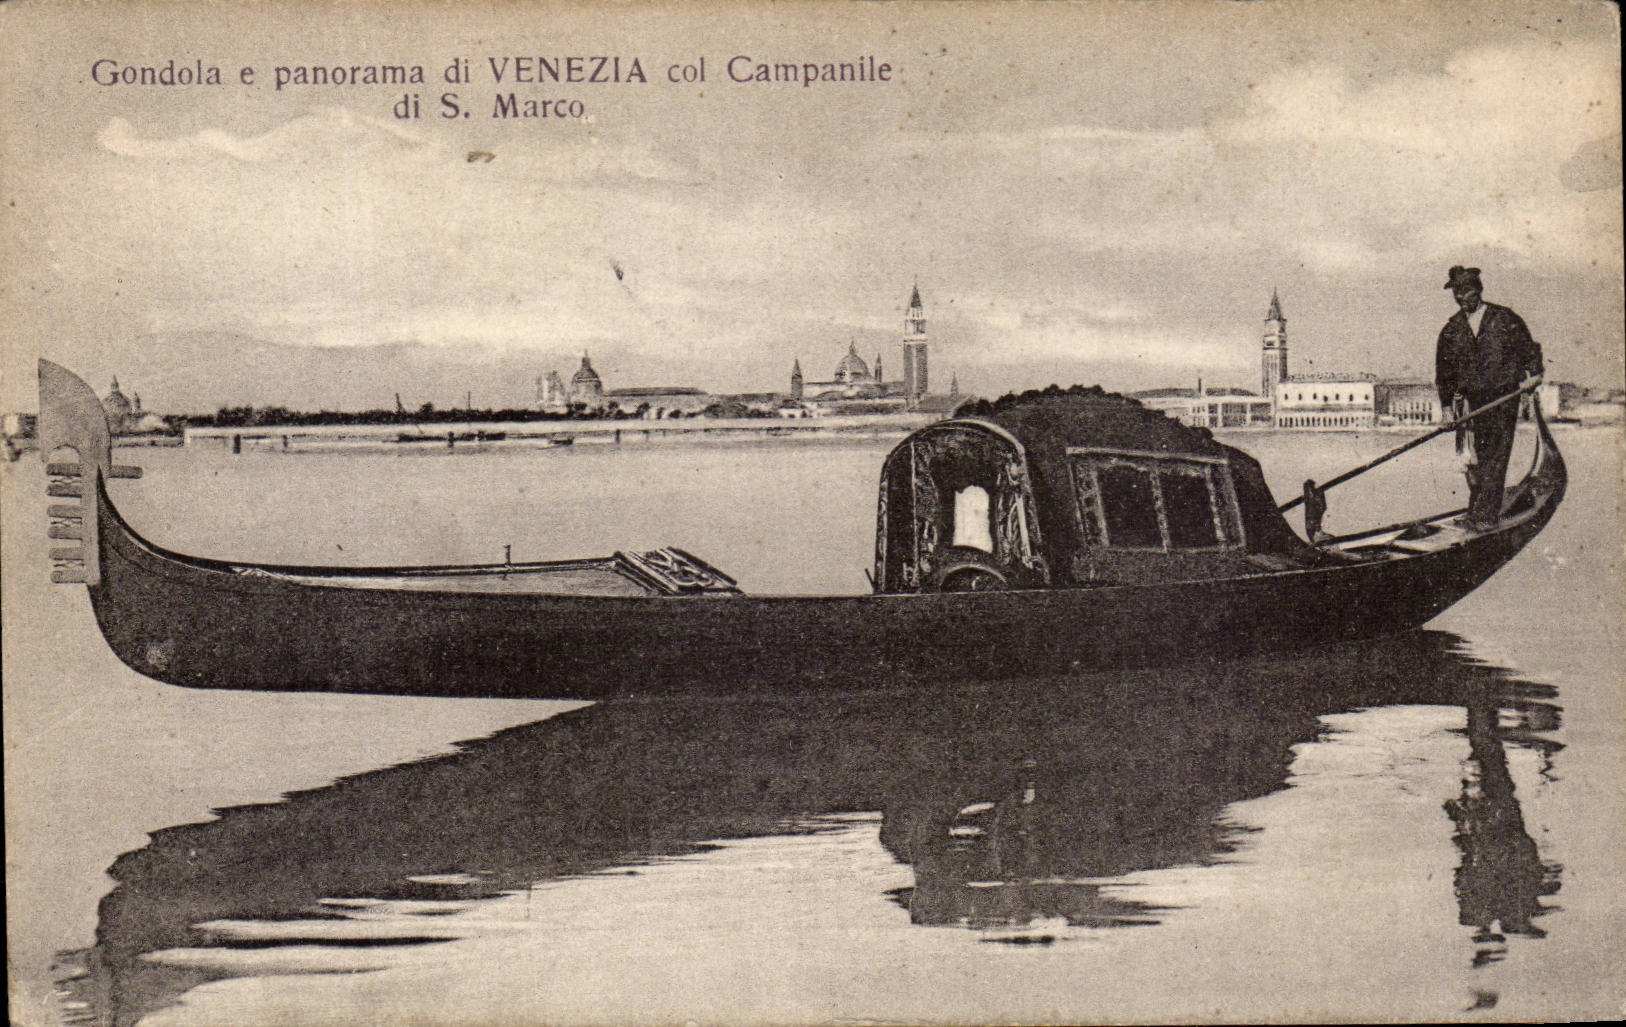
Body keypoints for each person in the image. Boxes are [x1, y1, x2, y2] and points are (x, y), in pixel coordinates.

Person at [1435, 267, 1543, 530]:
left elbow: (1529, 349)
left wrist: (1535, 374)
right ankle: (1477, 510)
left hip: (1503, 396)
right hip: (1471, 403)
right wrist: (1447, 410)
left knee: (1496, 454)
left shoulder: (1504, 318)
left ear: (1479, 290)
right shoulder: (1452, 329)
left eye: (1467, 291)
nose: (1462, 298)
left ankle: (1485, 516)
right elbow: (1444, 373)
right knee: (1476, 458)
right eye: (1457, 293)